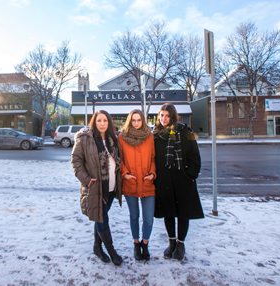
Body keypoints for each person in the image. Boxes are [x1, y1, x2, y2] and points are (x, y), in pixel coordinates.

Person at [71, 110, 123, 266]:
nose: (102, 123)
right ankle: (112, 251)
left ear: (109, 123)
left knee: (100, 216)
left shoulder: (112, 139)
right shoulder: (85, 138)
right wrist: (87, 180)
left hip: (111, 188)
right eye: (99, 120)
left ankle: (97, 247)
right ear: (94, 121)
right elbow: (76, 161)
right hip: (95, 187)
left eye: (105, 121)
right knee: (102, 219)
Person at [153, 103, 204, 260]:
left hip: (183, 180)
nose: (164, 119)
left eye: (167, 116)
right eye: (161, 115)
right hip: (164, 181)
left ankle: (181, 244)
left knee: (183, 213)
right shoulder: (156, 134)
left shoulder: (185, 131)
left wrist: (190, 175)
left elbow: (195, 156)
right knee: (168, 212)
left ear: (173, 117)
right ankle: (172, 243)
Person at [118, 109, 156, 261]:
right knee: (134, 216)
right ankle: (135, 244)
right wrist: (125, 173)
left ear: (143, 121)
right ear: (129, 121)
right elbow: (119, 158)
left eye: (138, 120)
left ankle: (145, 243)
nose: (136, 123)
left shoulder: (150, 137)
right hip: (130, 183)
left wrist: (153, 173)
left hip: (147, 183)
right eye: (133, 120)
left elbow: (153, 158)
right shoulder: (122, 137)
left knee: (148, 219)